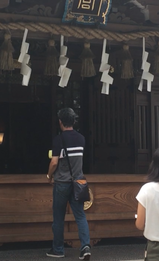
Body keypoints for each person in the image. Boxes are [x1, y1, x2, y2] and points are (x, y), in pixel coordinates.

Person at [46, 108, 91, 260]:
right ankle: (85, 246)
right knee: (80, 215)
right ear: (73, 121)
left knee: (58, 217)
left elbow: (54, 162)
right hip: (78, 183)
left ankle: (58, 249)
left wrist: (49, 175)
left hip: (62, 183)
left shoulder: (58, 139)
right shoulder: (81, 139)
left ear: (60, 122)